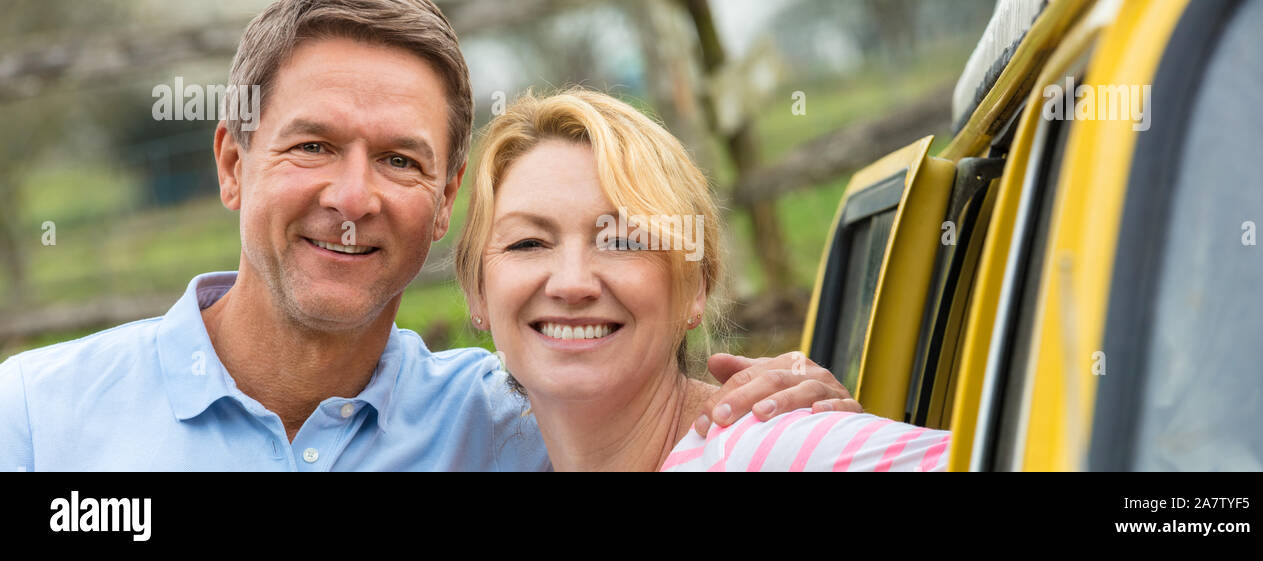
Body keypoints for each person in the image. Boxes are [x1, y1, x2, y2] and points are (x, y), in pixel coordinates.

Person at [0, 0, 856, 471]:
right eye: (312, 145)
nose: (352, 195)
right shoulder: (38, 418)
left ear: (445, 203)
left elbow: (669, 421)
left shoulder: (520, 418)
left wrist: (786, 401)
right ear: (232, 162)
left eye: (401, 161)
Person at [456, 88, 952, 471]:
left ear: (696, 287)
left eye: (624, 241)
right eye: (527, 243)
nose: (571, 282)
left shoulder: (773, 450)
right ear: (477, 291)